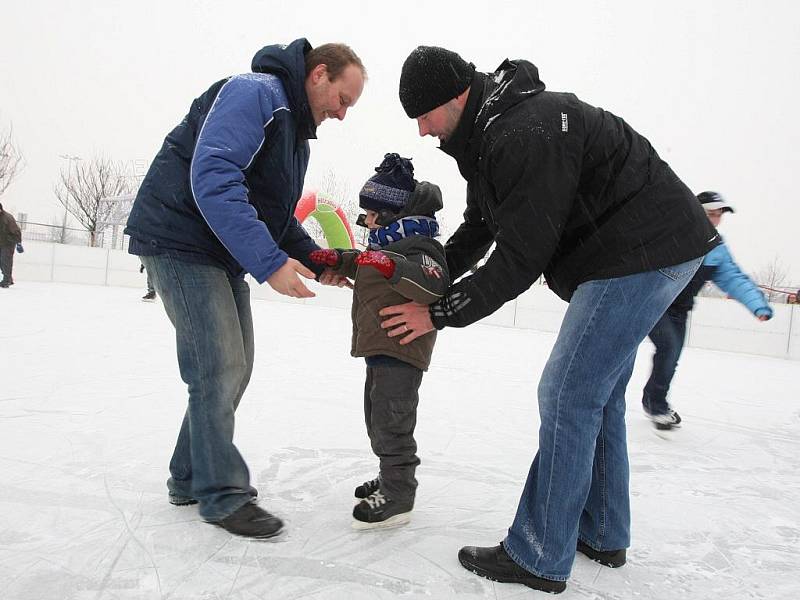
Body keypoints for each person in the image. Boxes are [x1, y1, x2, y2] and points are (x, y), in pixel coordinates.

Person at [382, 46, 721, 593]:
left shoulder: (522, 132)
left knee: (566, 394)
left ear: (455, 97)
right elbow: (482, 224)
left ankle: (539, 553)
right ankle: (602, 530)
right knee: (597, 394)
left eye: (424, 116)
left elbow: (521, 256)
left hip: (639, 253)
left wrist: (439, 313)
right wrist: (434, 273)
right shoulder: (492, 131)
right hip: (650, 247)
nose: (422, 131)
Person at [123, 39, 365, 539]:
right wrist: (271, 262)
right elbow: (212, 177)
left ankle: (189, 475)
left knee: (238, 365)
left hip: (218, 251)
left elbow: (275, 218)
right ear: (318, 74)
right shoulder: (255, 93)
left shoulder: (294, 136)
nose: (342, 115)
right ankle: (223, 493)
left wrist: (323, 263)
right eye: (343, 99)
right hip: (179, 238)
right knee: (219, 363)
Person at [309, 153, 449, 529]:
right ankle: (390, 475)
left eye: (372, 214)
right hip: (381, 349)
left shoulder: (421, 247)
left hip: (403, 348)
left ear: (393, 214)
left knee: (393, 421)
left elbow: (431, 279)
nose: (367, 222)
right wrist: (338, 258)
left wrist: (393, 267)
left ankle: (399, 491)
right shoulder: (383, 247)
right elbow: (362, 263)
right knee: (377, 418)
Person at [642, 191, 773, 430]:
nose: (714, 220)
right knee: (667, 347)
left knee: (670, 358)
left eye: (718, 216)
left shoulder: (717, 249)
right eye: (710, 214)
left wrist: (757, 304)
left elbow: (734, 278)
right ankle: (650, 405)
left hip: (679, 311)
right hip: (653, 304)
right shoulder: (673, 233)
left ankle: (654, 401)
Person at [0, 202, 22, 288]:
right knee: (1, 262)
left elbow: (16, 231)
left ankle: (6, 281)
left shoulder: (7, 218)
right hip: (1, 243)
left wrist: (19, 243)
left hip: (8, 243)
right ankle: (9, 278)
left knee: (5, 261)